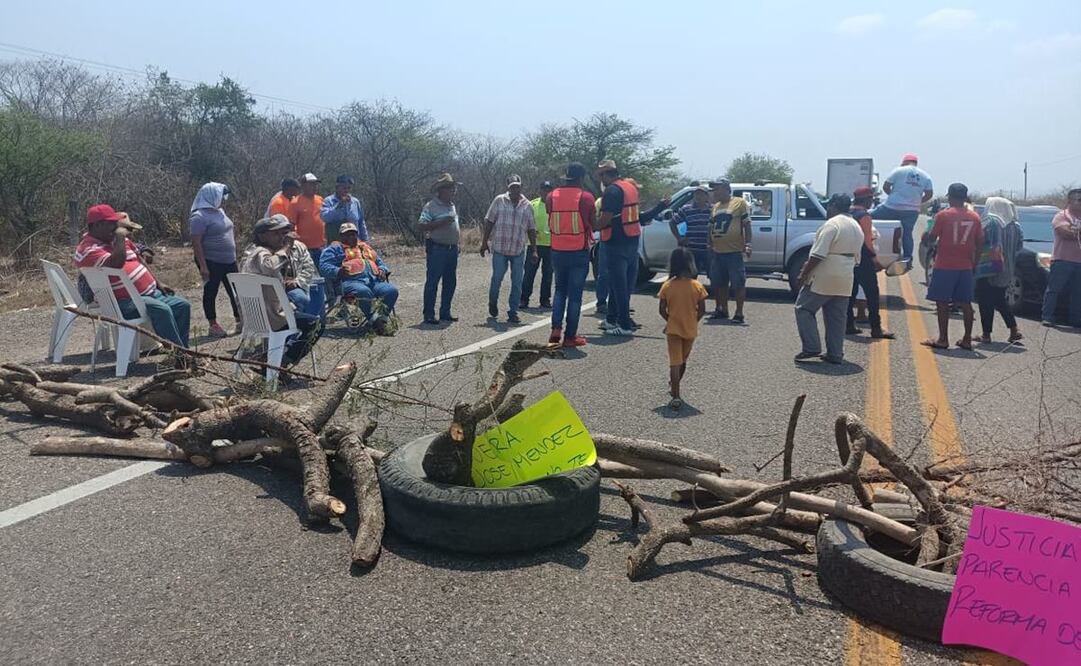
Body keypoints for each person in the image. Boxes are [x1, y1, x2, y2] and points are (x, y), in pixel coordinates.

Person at [75, 204, 190, 349]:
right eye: (111, 223)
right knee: (162, 310)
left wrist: (157, 282)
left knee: (182, 306)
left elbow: (139, 259)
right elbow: (116, 263)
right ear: (97, 225)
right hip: (123, 301)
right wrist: (120, 238)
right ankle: (179, 355)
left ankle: (183, 350)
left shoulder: (112, 239)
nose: (116, 226)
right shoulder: (88, 250)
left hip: (147, 293)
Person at [238, 215, 323, 368]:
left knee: (299, 306)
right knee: (315, 324)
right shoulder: (260, 252)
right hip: (271, 318)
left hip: (256, 317)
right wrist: (285, 249)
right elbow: (269, 266)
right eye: (276, 233)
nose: (281, 237)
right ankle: (282, 363)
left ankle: (273, 358)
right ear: (262, 236)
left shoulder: (258, 252)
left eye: (282, 233)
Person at [793, 194, 864, 364]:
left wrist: (803, 274)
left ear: (833, 206)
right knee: (837, 317)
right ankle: (835, 353)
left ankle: (811, 347)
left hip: (826, 272)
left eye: (828, 206)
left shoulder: (832, 225)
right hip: (846, 275)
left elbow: (817, 254)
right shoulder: (856, 225)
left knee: (803, 308)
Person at [922, 183, 984, 351]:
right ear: (965, 197)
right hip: (965, 266)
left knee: (942, 302)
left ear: (949, 196)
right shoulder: (975, 217)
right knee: (966, 303)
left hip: (945, 265)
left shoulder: (943, 216)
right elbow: (980, 243)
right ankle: (967, 339)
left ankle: (943, 338)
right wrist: (975, 263)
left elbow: (931, 238)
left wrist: (925, 236)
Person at [546, 163, 596, 348]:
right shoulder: (586, 197)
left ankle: (555, 330)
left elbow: (550, 215)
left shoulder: (552, 196)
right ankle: (570, 336)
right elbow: (594, 223)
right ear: (581, 178)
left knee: (559, 291)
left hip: (557, 250)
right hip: (578, 252)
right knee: (575, 296)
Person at [319, 222, 398, 335]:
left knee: (391, 291)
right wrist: (337, 271)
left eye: (353, 234)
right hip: (350, 283)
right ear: (341, 236)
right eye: (347, 234)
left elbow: (380, 262)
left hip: (373, 281)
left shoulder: (365, 247)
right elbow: (323, 266)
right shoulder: (335, 248)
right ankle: (376, 323)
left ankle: (381, 320)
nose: (351, 237)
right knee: (363, 292)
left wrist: (382, 270)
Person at [481, 174, 538, 324]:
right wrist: (484, 242)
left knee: (517, 282)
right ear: (508, 188)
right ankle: (492, 302)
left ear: (521, 187)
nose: (515, 189)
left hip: (518, 250)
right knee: (497, 278)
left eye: (517, 186)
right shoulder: (499, 201)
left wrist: (534, 250)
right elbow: (489, 221)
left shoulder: (527, 205)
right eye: (512, 187)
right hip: (500, 248)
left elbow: (531, 229)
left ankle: (513, 311)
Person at [658, 247, 708, 410]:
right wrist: (693, 320)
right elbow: (702, 309)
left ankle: (675, 393)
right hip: (690, 329)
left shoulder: (667, 286)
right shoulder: (697, 286)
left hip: (673, 328)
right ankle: (675, 385)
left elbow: (661, 309)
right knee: (683, 361)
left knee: (674, 362)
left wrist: (670, 319)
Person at [595, 159, 641, 336]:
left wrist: (592, 226)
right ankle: (611, 319)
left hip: (616, 241)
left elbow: (605, 218)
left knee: (619, 286)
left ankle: (624, 325)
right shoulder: (629, 187)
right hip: (632, 239)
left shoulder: (612, 191)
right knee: (619, 284)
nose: (601, 179)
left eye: (601, 175)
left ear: (606, 175)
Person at [189, 182, 239, 338]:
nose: (223, 199)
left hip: (229, 260)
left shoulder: (220, 211)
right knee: (211, 292)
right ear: (211, 195)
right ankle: (213, 324)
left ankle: (239, 320)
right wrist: (203, 266)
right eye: (221, 195)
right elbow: (196, 244)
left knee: (235, 291)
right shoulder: (199, 217)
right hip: (211, 260)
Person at [846, 186, 894, 339]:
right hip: (863, 259)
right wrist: (874, 259)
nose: (872, 202)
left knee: (850, 294)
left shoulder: (847, 213)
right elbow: (867, 240)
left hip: (849, 257)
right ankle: (876, 328)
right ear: (866, 199)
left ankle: (848, 325)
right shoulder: (864, 216)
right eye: (871, 199)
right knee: (872, 294)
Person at [974, 197, 1023, 343]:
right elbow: (1019, 247)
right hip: (1007, 267)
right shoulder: (1015, 225)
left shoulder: (990, 222)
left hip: (988, 266)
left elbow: (980, 241)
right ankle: (1014, 329)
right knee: (999, 299)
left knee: (985, 299)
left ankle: (986, 334)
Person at [873, 153, 934, 262]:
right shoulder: (926, 176)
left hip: (891, 207)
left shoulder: (898, 171)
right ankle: (907, 258)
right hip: (911, 210)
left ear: (904, 162)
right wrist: (918, 202)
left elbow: (886, 186)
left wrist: (893, 196)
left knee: (867, 216)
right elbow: (929, 194)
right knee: (907, 233)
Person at [417, 173, 461, 325]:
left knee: (450, 282)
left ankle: (445, 312)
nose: (453, 190)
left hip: (452, 249)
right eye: (450, 188)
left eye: (454, 188)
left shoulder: (452, 205)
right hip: (437, 248)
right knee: (433, 282)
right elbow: (422, 225)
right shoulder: (431, 206)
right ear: (441, 190)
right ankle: (429, 314)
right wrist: (441, 222)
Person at [707, 177, 752, 323]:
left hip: (734, 252)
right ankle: (722, 309)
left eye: (717, 188)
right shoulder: (715, 207)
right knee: (719, 283)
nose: (714, 192)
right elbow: (710, 226)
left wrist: (748, 244)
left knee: (738, 283)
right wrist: (709, 243)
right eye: (713, 189)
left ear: (726, 188)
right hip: (718, 251)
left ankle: (739, 313)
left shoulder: (739, 203)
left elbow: (747, 225)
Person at [1041, 188, 1081, 328]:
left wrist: (1076, 230)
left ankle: (1076, 320)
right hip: (1062, 260)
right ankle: (1047, 316)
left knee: (1078, 292)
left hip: (1079, 262)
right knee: (1054, 290)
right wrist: (1073, 231)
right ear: (1070, 201)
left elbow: (1074, 232)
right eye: (1079, 200)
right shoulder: (1061, 216)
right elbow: (1066, 233)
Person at [521, 181, 554, 310]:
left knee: (548, 274)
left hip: (551, 245)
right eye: (544, 189)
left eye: (548, 189)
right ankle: (524, 299)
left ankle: (545, 300)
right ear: (540, 190)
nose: (546, 192)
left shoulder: (556, 204)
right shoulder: (532, 204)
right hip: (535, 244)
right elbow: (525, 222)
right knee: (529, 273)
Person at [670, 184, 712, 275]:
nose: (698, 197)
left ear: (707, 196)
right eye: (696, 194)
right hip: (692, 249)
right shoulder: (687, 209)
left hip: (708, 249)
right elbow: (672, 222)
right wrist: (679, 238)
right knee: (690, 274)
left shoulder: (713, 210)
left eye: (701, 194)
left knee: (714, 276)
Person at [320, 175, 369, 245]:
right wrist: (339, 205)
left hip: (354, 244)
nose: (346, 190)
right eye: (344, 188)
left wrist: (365, 241)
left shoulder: (355, 202)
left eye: (349, 188)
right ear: (337, 187)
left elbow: (361, 222)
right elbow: (325, 217)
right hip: (335, 245)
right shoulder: (328, 201)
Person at [289, 173, 325, 265]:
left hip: (321, 246)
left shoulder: (320, 199)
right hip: (304, 248)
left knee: (324, 274)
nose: (315, 187)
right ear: (303, 186)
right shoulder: (295, 202)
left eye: (316, 184)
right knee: (305, 274)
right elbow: (291, 225)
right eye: (311, 184)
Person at [282, 230, 317, 313]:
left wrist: (296, 282)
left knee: (300, 299)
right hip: (273, 288)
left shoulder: (300, 247)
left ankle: (297, 323)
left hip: (293, 287)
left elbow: (309, 268)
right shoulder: (268, 248)